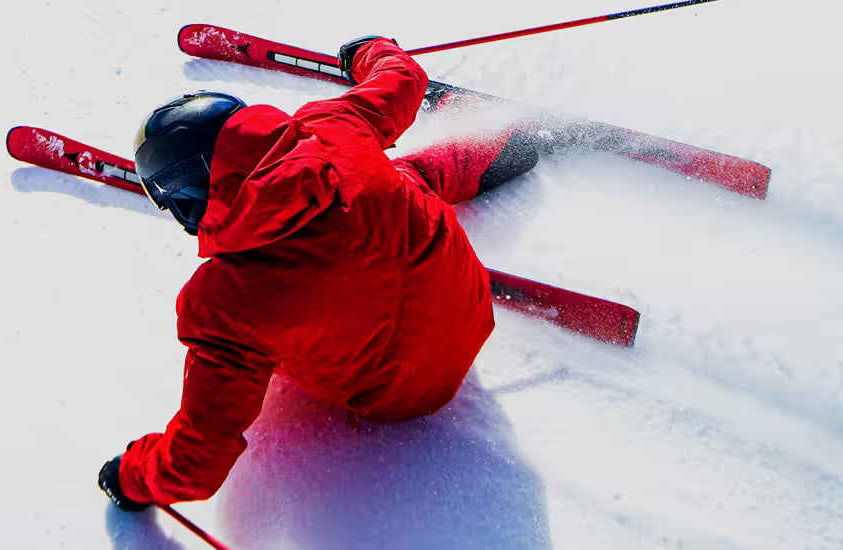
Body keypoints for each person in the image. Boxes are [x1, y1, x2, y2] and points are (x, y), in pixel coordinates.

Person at [98, 36, 545, 511]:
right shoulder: (332, 126)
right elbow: (405, 79)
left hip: (397, 395)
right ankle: (494, 147)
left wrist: (129, 478)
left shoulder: (223, 305)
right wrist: (369, 51)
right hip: (472, 307)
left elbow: (195, 463)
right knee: (397, 177)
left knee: (272, 333)